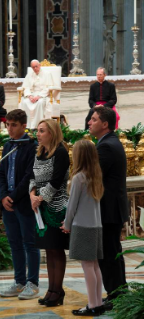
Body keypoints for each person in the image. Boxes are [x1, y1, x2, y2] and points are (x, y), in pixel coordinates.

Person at [0, 109, 40, 300]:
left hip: (23, 203)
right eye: (7, 124)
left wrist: (12, 196)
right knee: (15, 244)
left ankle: (33, 283)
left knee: (30, 243)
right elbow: (0, 173)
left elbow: (30, 176)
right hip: (9, 205)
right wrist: (3, 196)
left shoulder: (32, 146)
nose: (9, 128)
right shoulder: (8, 146)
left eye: (13, 125)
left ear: (24, 126)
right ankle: (19, 281)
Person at [88, 107, 129, 306]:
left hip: (108, 210)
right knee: (113, 253)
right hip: (112, 209)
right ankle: (119, 292)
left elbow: (93, 177)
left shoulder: (105, 146)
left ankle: (116, 295)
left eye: (94, 119)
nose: (89, 122)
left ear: (105, 124)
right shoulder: (110, 142)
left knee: (109, 255)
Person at [61, 140, 105, 317]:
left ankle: (93, 304)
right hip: (96, 225)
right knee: (94, 266)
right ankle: (98, 302)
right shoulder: (95, 175)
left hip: (82, 225)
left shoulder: (79, 177)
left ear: (79, 156)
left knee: (87, 266)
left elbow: (72, 205)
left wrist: (67, 223)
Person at [29, 119, 69, 307]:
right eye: (37, 131)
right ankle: (51, 290)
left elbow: (57, 180)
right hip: (41, 209)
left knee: (57, 249)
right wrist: (31, 195)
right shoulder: (39, 152)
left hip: (56, 207)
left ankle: (57, 290)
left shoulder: (60, 152)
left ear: (52, 133)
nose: (38, 134)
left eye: (42, 131)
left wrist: (40, 198)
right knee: (48, 249)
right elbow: (32, 177)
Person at [20, 60, 53, 129]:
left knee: (40, 103)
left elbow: (49, 87)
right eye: (33, 67)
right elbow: (26, 87)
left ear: (39, 65)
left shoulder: (47, 74)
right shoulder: (29, 75)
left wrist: (39, 96)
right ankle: (28, 126)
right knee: (25, 102)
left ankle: (38, 125)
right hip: (32, 94)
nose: (35, 68)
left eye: (36, 66)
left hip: (43, 95)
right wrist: (29, 96)